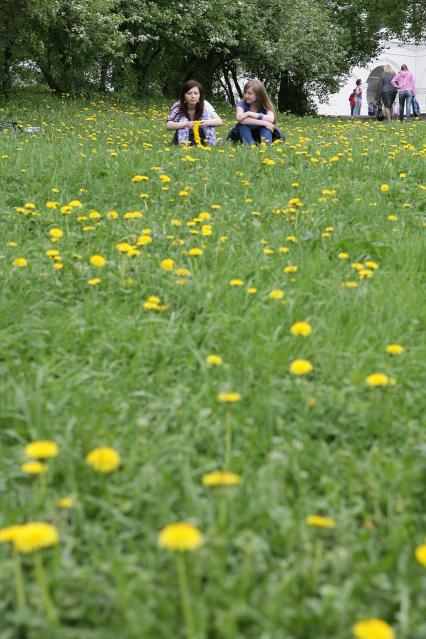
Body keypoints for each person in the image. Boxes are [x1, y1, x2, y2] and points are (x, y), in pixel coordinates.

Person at [166, 80, 223, 145]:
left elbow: (219, 121)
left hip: (201, 134)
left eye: (196, 93)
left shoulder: (205, 105)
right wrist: (186, 124)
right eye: (189, 93)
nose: (193, 96)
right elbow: (168, 125)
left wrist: (207, 122)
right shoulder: (178, 106)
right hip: (182, 135)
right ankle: (184, 144)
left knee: (208, 120)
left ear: (200, 95)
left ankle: (212, 143)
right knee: (183, 121)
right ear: (184, 96)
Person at [234, 80, 277, 145]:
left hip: (260, 133)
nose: (246, 96)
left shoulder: (266, 106)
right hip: (244, 134)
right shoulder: (241, 104)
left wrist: (250, 114)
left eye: (249, 93)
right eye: (245, 93)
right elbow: (240, 118)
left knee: (265, 128)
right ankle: (251, 145)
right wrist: (264, 123)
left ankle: (266, 146)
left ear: (258, 95)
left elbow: (271, 119)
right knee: (243, 126)